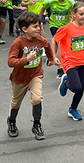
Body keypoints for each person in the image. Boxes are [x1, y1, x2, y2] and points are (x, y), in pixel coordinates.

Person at [6, 12, 54, 140]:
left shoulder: (41, 40)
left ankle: (37, 124)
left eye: (39, 26)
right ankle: (11, 121)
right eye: (35, 27)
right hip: (19, 78)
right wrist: (26, 59)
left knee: (37, 99)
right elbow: (10, 62)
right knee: (16, 102)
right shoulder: (18, 43)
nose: (38, 29)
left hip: (35, 75)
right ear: (24, 29)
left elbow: (48, 47)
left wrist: (51, 59)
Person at [54, 1, 84, 121]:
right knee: (76, 87)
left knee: (81, 88)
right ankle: (66, 82)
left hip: (83, 61)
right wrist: (53, 57)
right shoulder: (66, 28)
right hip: (69, 61)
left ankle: (73, 109)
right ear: (73, 14)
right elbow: (54, 40)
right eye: (81, 14)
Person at [40, 0, 75, 78]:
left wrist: (73, 20)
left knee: (60, 46)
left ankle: (52, 58)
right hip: (54, 25)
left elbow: (76, 11)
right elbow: (42, 8)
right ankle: (60, 69)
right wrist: (39, 21)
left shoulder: (70, 2)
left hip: (66, 26)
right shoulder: (51, 1)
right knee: (60, 44)